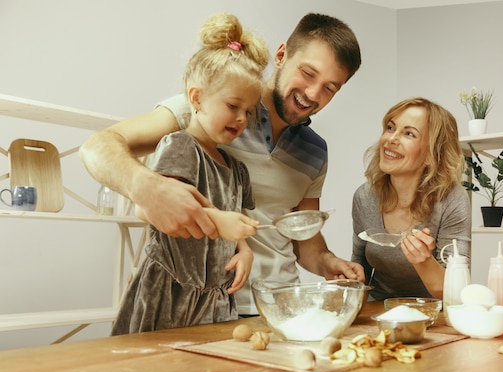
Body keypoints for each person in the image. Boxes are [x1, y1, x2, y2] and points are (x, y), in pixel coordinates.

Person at [80, 13, 366, 316]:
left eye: (329, 88)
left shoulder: (316, 151)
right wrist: (147, 187)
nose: (312, 94)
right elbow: (98, 146)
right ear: (281, 55)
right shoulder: (209, 108)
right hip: (204, 308)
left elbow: (304, 239)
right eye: (308, 74)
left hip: (281, 310)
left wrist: (328, 262)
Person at [110, 13, 269, 334]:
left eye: (249, 111)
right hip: (169, 293)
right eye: (233, 105)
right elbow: (159, 208)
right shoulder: (181, 146)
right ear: (196, 98)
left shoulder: (236, 169)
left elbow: (235, 224)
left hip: (214, 298)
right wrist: (219, 221)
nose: (241, 118)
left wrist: (245, 250)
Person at [351, 97, 471, 301]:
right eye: (390, 128)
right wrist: (349, 279)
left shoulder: (452, 200)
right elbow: (359, 265)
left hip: (434, 316)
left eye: (409, 133)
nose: (391, 139)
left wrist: (424, 262)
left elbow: (457, 290)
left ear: (433, 152)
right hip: (379, 313)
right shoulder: (365, 196)